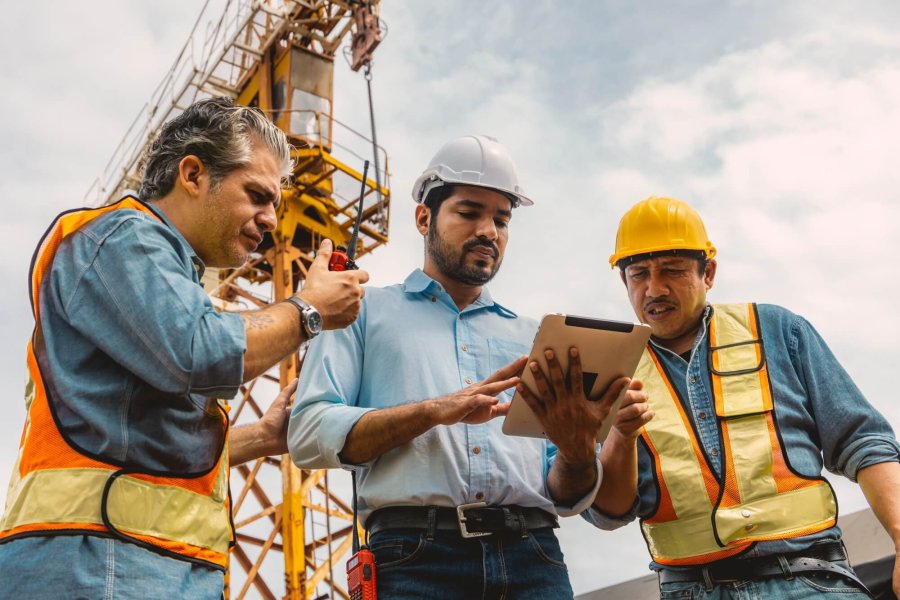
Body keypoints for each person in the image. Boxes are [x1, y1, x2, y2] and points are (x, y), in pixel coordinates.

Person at [0, 97, 368, 599]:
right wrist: (309, 311)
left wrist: (261, 436)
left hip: (142, 562)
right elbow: (197, 351)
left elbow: (141, 451)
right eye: (257, 195)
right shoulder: (119, 237)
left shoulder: (170, 282)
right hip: (99, 562)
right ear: (192, 174)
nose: (270, 221)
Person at [288, 134, 649, 599]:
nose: (488, 231)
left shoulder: (534, 337)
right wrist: (436, 410)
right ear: (424, 218)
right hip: (414, 560)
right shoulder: (359, 312)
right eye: (469, 212)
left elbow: (566, 492)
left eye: (501, 219)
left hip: (533, 556)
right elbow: (308, 433)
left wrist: (578, 451)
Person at [591, 195, 900, 599]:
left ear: (709, 273)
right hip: (691, 590)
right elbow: (608, 512)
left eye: (672, 270)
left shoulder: (777, 330)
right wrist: (619, 436)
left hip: (810, 581)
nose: (654, 288)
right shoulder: (609, 370)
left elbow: (862, 442)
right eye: (638, 274)